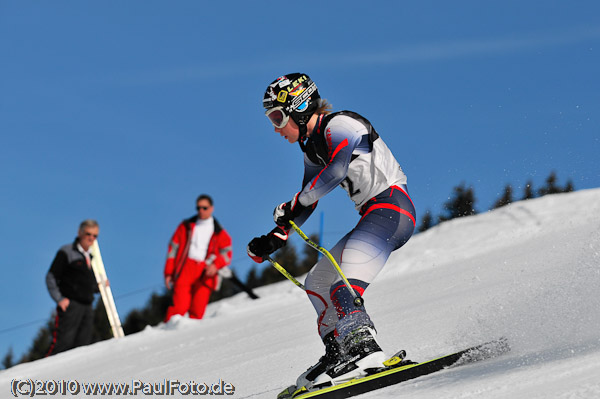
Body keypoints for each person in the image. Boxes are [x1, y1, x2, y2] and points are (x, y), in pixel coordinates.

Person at [247, 73, 416, 387]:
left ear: (298, 108)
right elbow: (306, 201)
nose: (275, 127)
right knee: (318, 281)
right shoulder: (312, 148)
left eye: (276, 117)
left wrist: (294, 203)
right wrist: (276, 236)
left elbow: (335, 171)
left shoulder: (342, 125)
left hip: (392, 210)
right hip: (373, 214)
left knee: (343, 285)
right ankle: (339, 348)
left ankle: (366, 349)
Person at [163, 194, 233, 321]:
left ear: (211, 208)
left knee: (197, 311)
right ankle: (166, 335)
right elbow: (172, 250)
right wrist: (168, 272)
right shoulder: (185, 226)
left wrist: (215, 265)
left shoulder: (219, 232)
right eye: (198, 208)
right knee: (179, 308)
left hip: (206, 272)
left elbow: (227, 253)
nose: (201, 211)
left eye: (204, 208)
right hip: (185, 269)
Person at [46, 219, 101, 355]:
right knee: (63, 344)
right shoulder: (67, 252)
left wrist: (100, 286)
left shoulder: (92, 258)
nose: (91, 238)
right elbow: (51, 277)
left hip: (87, 306)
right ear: (80, 233)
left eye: (95, 236)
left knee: (82, 347)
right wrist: (60, 299)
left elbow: (89, 285)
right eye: (88, 234)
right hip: (71, 305)